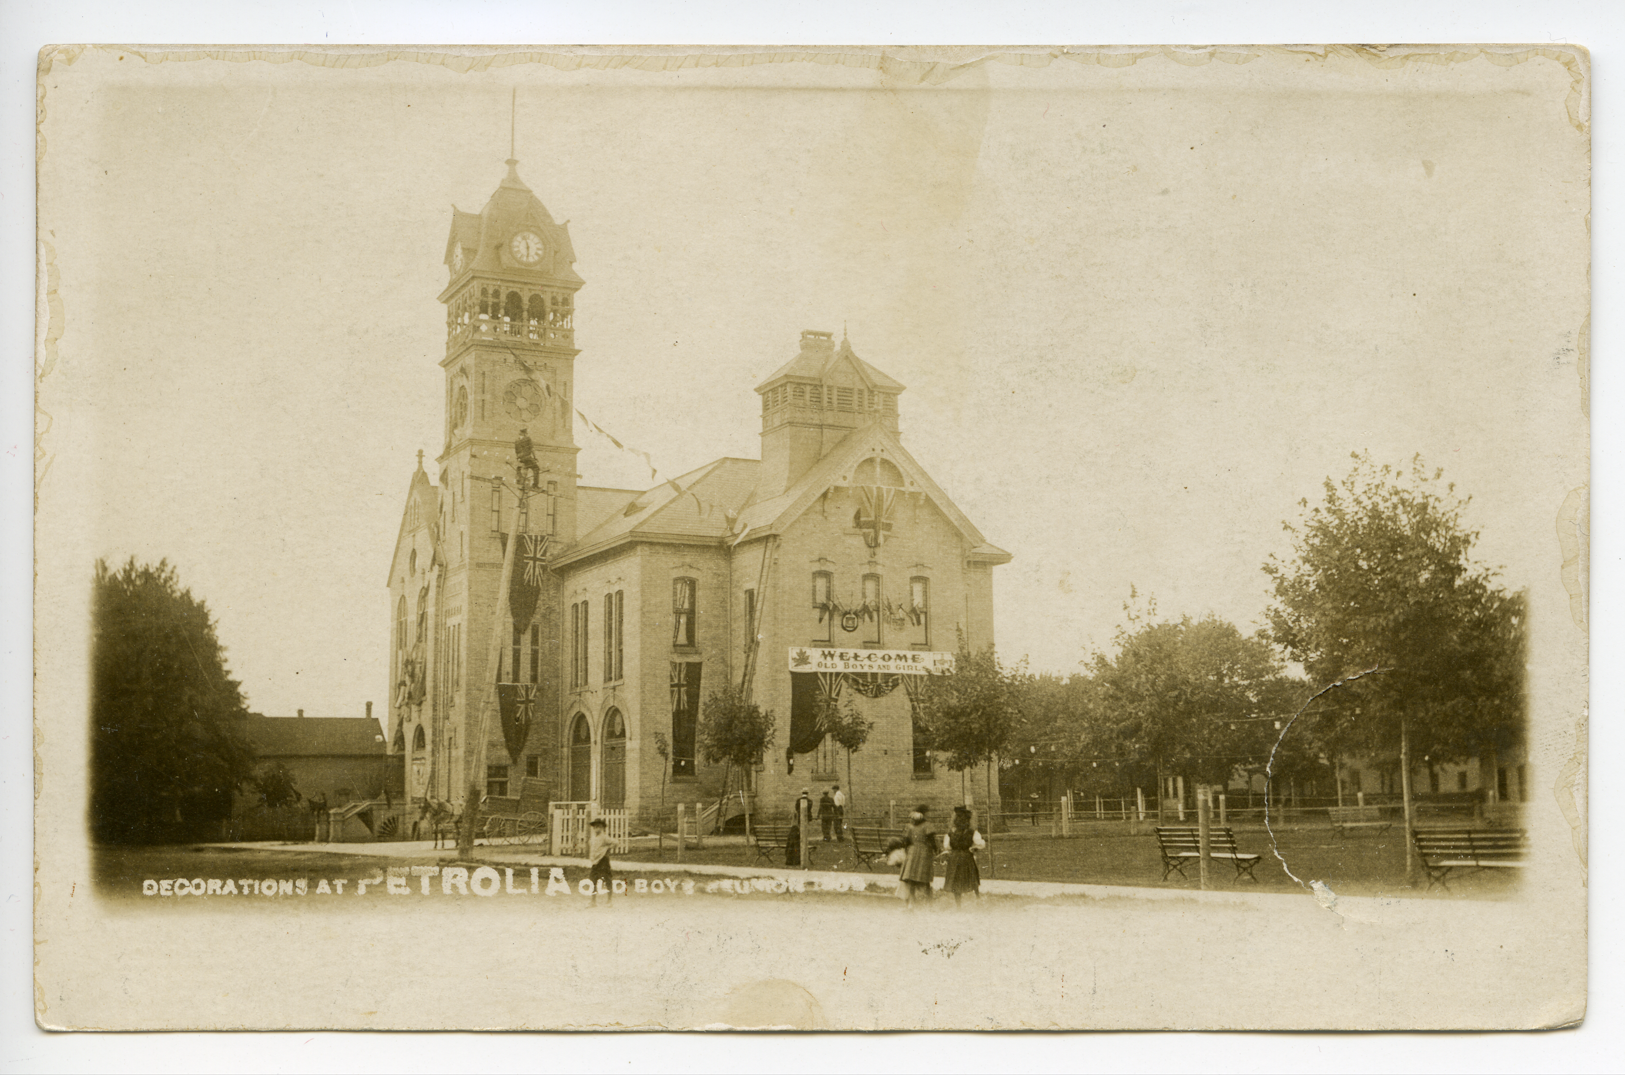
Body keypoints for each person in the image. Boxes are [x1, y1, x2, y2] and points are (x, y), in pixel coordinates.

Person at [897, 805, 938, 908]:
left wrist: (907, 849)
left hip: (912, 852)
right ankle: (929, 903)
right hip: (924, 852)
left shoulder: (910, 826)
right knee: (925, 879)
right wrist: (936, 849)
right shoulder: (927, 825)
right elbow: (932, 839)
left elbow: (905, 841)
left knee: (911, 878)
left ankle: (912, 902)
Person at [943, 806, 983, 907]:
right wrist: (973, 848)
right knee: (972, 877)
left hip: (954, 857)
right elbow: (981, 844)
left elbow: (947, 846)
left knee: (956, 880)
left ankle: (958, 905)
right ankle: (978, 898)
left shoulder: (951, 833)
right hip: (966, 856)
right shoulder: (972, 832)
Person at [587, 818, 613, 906]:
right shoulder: (593, 838)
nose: (596, 828)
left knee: (607, 879)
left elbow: (615, 842)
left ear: (602, 827)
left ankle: (609, 900)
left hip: (603, 861)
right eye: (594, 827)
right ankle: (593, 901)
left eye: (598, 826)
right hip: (595, 862)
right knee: (593, 880)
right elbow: (591, 845)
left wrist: (607, 850)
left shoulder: (604, 837)